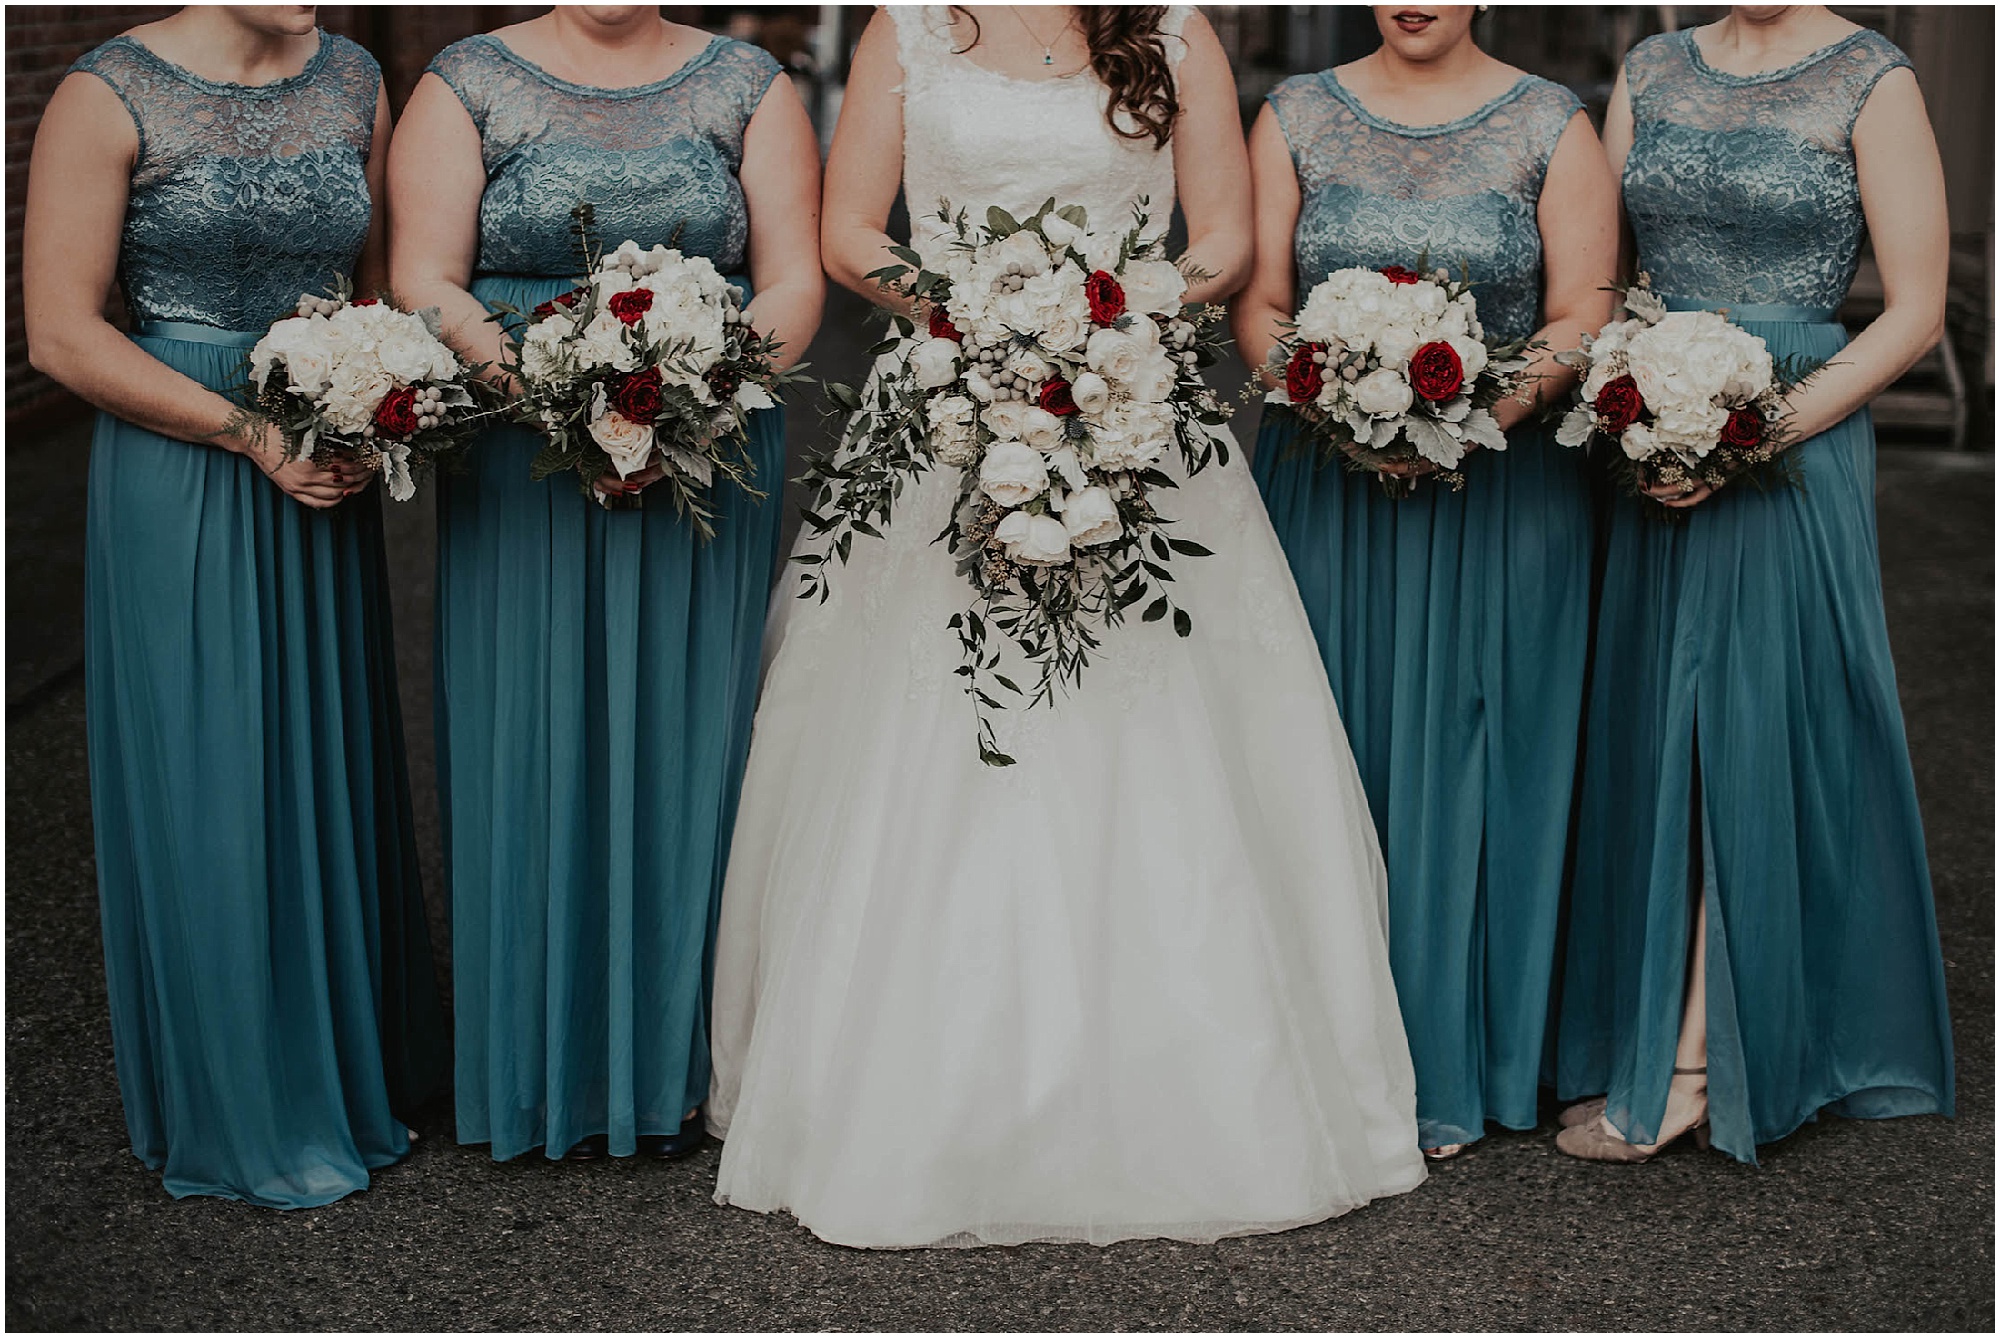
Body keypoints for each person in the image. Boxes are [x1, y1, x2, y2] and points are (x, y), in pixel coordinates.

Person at [707, 4, 1425, 1249]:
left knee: (1152, 722)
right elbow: (845, 231)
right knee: (920, 719)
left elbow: (1228, 242)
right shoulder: (910, 25)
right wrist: (980, 320)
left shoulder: (1170, 28)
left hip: (1126, 398)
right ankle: (911, 1086)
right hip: (945, 399)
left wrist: (1103, 323)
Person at [21, 3, 446, 1207]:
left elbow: (369, 289)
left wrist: (375, 399)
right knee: (217, 769)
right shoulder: (107, 94)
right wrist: (250, 433)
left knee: (325, 760)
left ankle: (345, 1066)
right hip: (187, 455)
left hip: (321, 446)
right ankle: (246, 1101)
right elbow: (59, 331)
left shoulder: (355, 77)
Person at [388, 4, 822, 1163]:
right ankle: (537, 1060)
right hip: (524, 450)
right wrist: (558, 397)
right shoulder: (465, 82)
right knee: (526, 732)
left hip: (708, 445)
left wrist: (691, 396)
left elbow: (787, 284)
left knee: (690, 735)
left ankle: (680, 1064)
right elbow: (426, 276)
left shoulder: (749, 84)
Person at [1555, 4, 1955, 1163]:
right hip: (1652, 428)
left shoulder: (1871, 81)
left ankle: (1691, 1063)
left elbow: (1915, 313)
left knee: (1742, 718)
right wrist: (1635, 404)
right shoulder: (1648, 69)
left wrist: (1752, 432)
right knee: (1655, 719)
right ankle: (1666, 1021)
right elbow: (1611, 275)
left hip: (1791, 431)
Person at [1231, 3, 1617, 1159]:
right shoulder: (1292, 114)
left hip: (1498, 495)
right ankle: (1316, 1058)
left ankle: (1463, 1053)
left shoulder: (1553, 124)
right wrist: (1328, 403)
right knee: (1322, 745)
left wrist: (1469, 421)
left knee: (1477, 748)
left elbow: (1578, 311)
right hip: (1322, 481)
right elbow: (1257, 305)